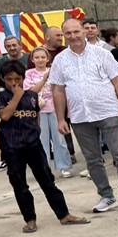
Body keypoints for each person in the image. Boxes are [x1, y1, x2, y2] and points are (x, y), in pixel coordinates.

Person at [49, 18, 118, 213]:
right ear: (64, 36)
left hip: (109, 112)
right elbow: (58, 90)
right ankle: (106, 196)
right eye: (68, 33)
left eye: (76, 31)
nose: (73, 36)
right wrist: (60, 118)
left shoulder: (102, 54)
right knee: (92, 160)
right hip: (80, 117)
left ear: (84, 32)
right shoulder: (60, 60)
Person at [0, 61, 90, 233]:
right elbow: (5, 115)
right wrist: (16, 96)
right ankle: (30, 219)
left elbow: (35, 117)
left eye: (17, 79)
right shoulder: (0, 96)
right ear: (3, 79)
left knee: (47, 181)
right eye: (9, 79)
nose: (14, 83)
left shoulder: (31, 96)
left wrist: (35, 133)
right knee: (20, 185)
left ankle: (63, 214)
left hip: (33, 145)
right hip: (12, 147)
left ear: (23, 78)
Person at [23, 47, 71, 176]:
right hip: (39, 111)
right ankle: (44, 168)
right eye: (37, 57)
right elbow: (30, 91)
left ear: (48, 59)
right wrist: (44, 80)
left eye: (43, 57)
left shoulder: (54, 71)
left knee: (59, 139)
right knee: (42, 140)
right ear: (32, 59)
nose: (40, 60)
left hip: (55, 109)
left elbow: (61, 89)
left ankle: (64, 166)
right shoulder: (29, 73)